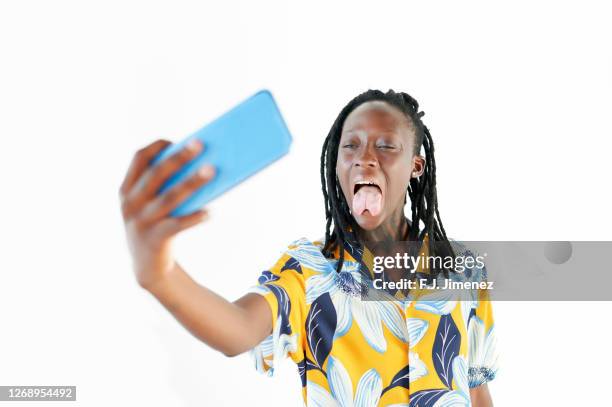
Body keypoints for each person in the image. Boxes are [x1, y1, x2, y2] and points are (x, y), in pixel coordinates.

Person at [119, 89, 499, 406]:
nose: (365, 157)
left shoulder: (462, 267)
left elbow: (476, 385)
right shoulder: (309, 270)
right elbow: (238, 330)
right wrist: (159, 274)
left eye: (386, 145)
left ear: (416, 166)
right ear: (336, 164)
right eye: (350, 146)